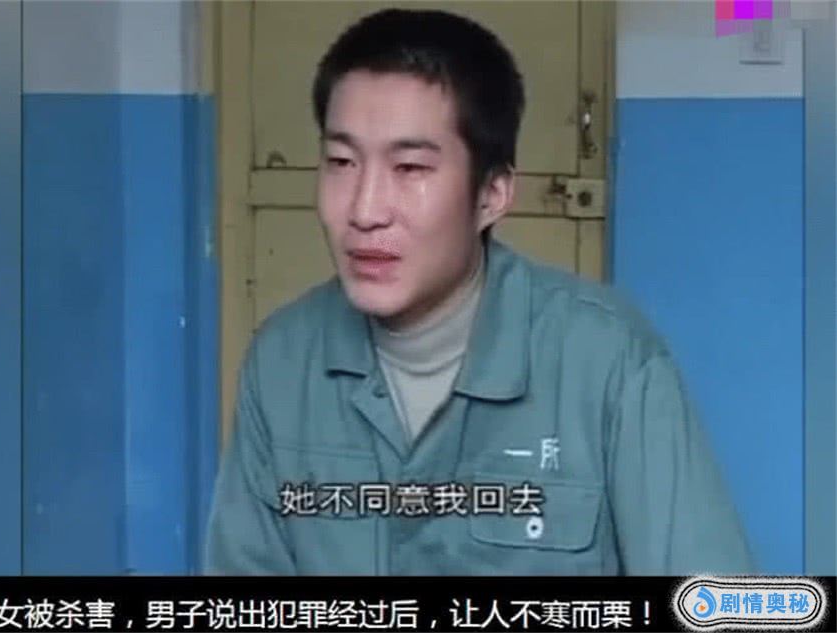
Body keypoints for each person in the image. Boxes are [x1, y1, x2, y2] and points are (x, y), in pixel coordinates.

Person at [203, 8, 755, 575]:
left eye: (410, 168)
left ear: (492, 195)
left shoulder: (609, 361)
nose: (365, 211)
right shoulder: (282, 362)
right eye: (341, 162)